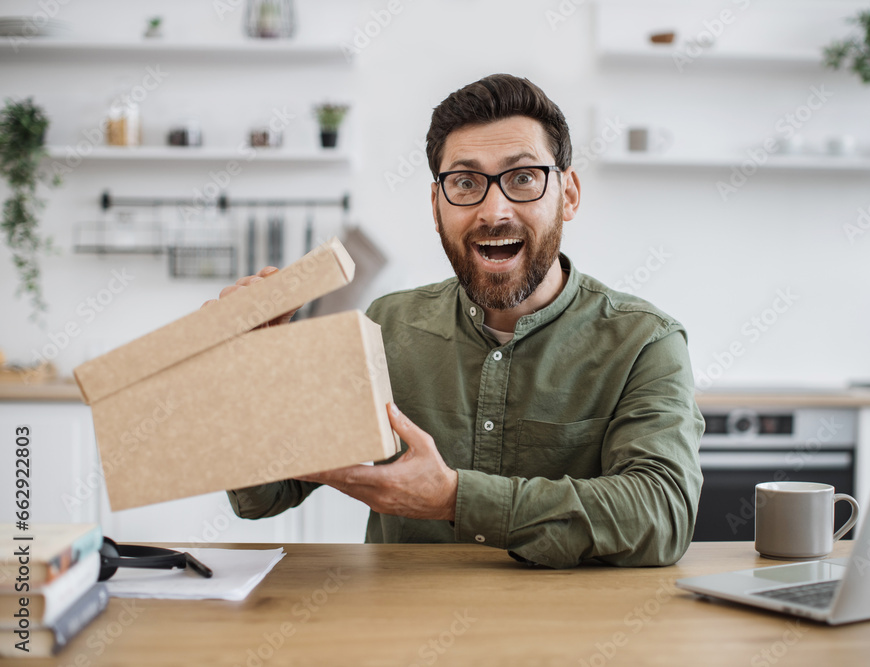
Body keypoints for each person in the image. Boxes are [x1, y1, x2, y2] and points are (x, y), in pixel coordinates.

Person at [205, 74, 704, 568]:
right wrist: (249, 373)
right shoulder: (386, 325)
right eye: (465, 182)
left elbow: (661, 514)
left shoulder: (646, 342)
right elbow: (263, 495)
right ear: (437, 204)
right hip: (396, 636)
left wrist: (454, 498)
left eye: (523, 178)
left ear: (568, 194)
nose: (494, 210)